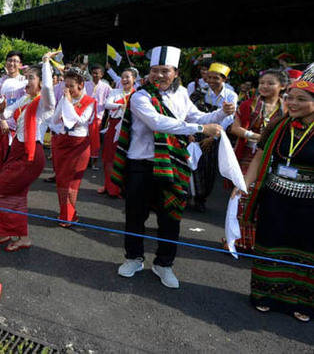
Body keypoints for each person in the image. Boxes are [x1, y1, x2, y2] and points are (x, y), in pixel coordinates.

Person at [112, 46, 235, 288]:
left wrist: (222, 113)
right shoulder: (140, 96)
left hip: (172, 163)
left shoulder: (181, 95)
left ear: (175, 72)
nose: (159, 76)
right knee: (135, 215)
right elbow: (159, 123)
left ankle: (164, 264)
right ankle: (133, 258)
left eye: (164, 71)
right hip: (141, 165)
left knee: (171, 217)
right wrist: (200, 130)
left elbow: (197, 116)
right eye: (154, 71)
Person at [236, 64, 314, 323]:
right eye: (290, 97)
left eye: (301, 99)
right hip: (275, 198)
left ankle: (302, 302)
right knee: (270, 246)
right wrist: (245, 182)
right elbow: (259, 156)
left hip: (309, 205)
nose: (292, 103)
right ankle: (264, 295)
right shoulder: (279, 125)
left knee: (304, 250)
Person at [0, 55, 56, 251]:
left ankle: (2, 232)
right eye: (26, 78)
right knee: (16, 196)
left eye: (31, 78)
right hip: (17, 151)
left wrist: (45, 63)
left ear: (41, 82)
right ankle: (21, 237)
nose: (27, 81)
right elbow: (7, 113)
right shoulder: (26, 99)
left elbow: (49, 89)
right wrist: (1, 110)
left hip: (31, 156)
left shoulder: (44, 103)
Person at [229, 69, 286, 250]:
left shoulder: (287, 108)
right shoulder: (248, 105)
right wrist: (255, 135)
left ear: (282, 87)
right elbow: (235, 128)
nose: (265, 86)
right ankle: (239, 240)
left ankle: (258, 242)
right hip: (247, 157)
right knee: (243, 196)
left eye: (270, 83)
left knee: (267, 200)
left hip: (275, 159)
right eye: (262, 83)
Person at [49, 64, 97, 226]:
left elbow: (79, 121)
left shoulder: (89, 102)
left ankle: (69, 215)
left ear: (81, 85)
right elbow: (55, 119)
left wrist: (68, 103)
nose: (67, 90)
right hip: (63, 142)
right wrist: (57, 129)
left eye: (71, 87)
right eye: (66, 86)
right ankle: (66, 213)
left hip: (79, 145)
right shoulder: (64, 98)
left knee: (72, 183)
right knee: (62, 181)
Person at [190, 63, 238, 212]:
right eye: (208, 77)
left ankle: (202, 198)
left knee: (209, 168)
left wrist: (214, 137)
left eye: (215, 78)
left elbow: (228, 118)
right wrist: (189, 133)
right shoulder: (200, 92)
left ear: (224, 79)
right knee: (193, 165)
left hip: (217, 135)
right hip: (197, 131)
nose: (210, 80)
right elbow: (189, 113)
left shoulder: (231, 95)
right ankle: (191, 196)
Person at [99, 68, 137, 198]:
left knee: (123, 158)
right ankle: (110, 186)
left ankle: (121, 188)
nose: (125, 80)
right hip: (114, 126)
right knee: (109, 157)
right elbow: (107, 104)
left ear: (134, 79)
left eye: (128, 77)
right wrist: (121, 106)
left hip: (128, 128)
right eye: (123, 77)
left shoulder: (137, 94)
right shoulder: (115, 92)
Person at [0, 51, 27, 173]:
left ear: (20, 64)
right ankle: (1, 188)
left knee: (16, 162)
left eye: (16, 61)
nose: (12, 63)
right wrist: (2, 121)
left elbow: (27, 103)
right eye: (10, 60)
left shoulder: (25, 81)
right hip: (2, 127)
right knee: (2, 159)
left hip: (18, 128)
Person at [85, 63, 112, 170]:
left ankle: (94, 162)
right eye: (93, 73)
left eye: (97, 73)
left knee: (95, 140)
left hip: (98, 117)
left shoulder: (106, 87)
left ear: (102, 75)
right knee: (84, 139)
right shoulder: (85, 84)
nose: (95, 75)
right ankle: (85, 160)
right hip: (84, 116)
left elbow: (111, 98)